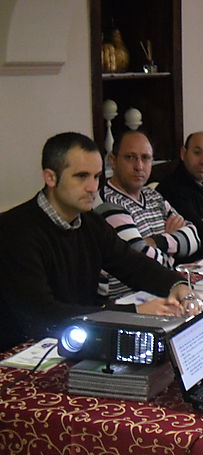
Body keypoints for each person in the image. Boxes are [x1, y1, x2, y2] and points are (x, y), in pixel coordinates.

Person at [0, 132, 190, 351]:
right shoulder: (16, 230)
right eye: (81, 176)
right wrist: (135, 313)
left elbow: (132, 264)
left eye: (96, 176)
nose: (92, 187)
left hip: (76, 338)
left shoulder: (89, 222)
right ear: (50, 178)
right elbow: (42, 315)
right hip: (20, 353)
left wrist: (177, 285)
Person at [96, 130, 200, 299]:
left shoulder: (153, 196)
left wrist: (156, 241)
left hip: (161, 291)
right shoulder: (108, 204)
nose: (139, 166)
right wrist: (172, 240)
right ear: (113, 161)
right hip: (128, 301)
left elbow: (195, 237)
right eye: (130, 157)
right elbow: (144, 263)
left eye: (145, 158)